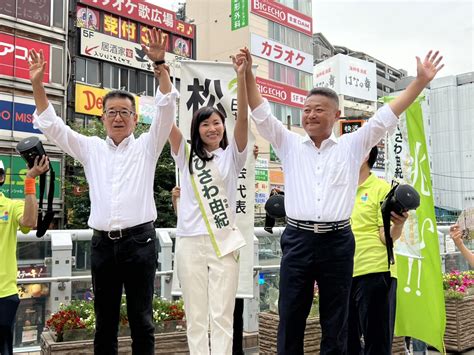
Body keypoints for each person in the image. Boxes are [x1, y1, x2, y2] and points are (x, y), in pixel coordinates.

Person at [237, 47, 444, 354]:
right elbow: (261, 112)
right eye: (307, 109)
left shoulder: (351, 146)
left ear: (336, 116)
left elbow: (388, 116)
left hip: (337, 242)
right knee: (291, 317)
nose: (310, 114)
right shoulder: (289, 144)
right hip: (297, 239)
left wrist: (420, 81)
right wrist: (247, 74)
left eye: (318, 109)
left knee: (336, 322)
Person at [29, 28, 176, 355]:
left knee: (142, 320)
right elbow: (54, 128)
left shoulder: (148, 147)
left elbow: (166, 110)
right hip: (102, 245)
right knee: (104, 321)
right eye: (112, 112)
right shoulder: (91, 148)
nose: (118, 117)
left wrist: (160, 64)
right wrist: (38, 85)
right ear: (103, 117)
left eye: (125, 112)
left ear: (136, 119)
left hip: (140, 242)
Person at [163, 53, 249, 354]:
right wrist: (162, 71)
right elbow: (166, 121)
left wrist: (241, 77)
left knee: (222, 315)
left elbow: (243, 123)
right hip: (189, 242)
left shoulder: (232, 156)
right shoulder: (185, 154)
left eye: (217, 123)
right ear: (196, 129)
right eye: (205, 124)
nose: (212, 128)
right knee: (196, 317)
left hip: (223, 242)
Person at [347, 145, 408, 355]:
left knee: (377, 342)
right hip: (342, 273)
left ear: (365, 156)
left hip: (375, 272)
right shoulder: (339, 188)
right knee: (346, 342)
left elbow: (385, 236)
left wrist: (398, 225)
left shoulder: (380, 188)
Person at [0, 156, 49, 355]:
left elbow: (29, 221)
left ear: (1, 178)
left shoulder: (11, 206)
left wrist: (30, 180)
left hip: (3, 293)